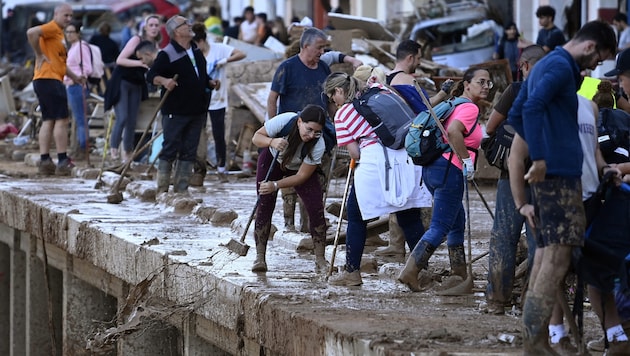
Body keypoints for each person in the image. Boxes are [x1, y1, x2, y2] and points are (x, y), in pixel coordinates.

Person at [506, 20, 617, 354]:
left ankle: (535, 340)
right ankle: (535, 344)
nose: (597, 65)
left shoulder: (548, 65)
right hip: (560, 179)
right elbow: (531, 107)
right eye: (599, 58)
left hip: (553, 177)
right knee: (555, 259)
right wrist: (541, 157)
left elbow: (516, 112)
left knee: (547, 256)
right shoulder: (559, 66)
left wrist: (544, 153)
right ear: (590, 46)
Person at [323, 71, 431, 286]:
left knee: (355, 215)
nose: (332, 101)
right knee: (408, 215)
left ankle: (352, 272)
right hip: (406, 156)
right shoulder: (379, 91)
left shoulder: (343, 113)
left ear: (338, 91)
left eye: (331, 96)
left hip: (374, 163)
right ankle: (422, 270)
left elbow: (355, 154)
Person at [397, 67, 488, 292]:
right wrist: (466, 161)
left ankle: (459, 272)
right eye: (481, 82)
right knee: (440, 226)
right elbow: (454, 132)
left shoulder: (455, 104)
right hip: (450, 170)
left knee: (457, 221)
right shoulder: (469, 108)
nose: (486, 87)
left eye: (489, 83)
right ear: (467, 84)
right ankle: (410, 272)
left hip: (434, 168)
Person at [484, 45, 546, 315]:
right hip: (547, 176)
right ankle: (529, 303)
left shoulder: (516, 91)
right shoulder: (561, 94)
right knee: (538, 241)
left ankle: (497, 300)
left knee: (504, 237)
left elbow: (489, 128)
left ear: (525, 66)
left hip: (512, 175)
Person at [250, 104, 329, 273]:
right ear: (300, 121)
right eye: (308, 129)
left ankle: (320, 259)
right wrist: (272, 141)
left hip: (299, 167)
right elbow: (256, 137)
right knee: (264, 204)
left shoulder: (318, 144)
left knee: (316, 208)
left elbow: (301, 176)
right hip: (273, 159)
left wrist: (276, 185)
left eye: (317, 132)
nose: (311, 135)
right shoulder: (284, 121)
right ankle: (260, 257)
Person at [146, 16, 217, 194]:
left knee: (189, 150)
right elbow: (151, 75)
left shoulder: (195, 49)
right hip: (176, 110)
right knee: (170, 147)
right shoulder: (167, 53)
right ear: (177, 31)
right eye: (185, 24)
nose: (190, 25)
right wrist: (164, 81)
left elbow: (201, 74)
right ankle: (162, 190)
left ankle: (181, 190)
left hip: (197, 109)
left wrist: (209, 82)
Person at [190, 23, 246, 186]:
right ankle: (199, 169)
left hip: (218, 99)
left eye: (197, 44)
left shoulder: (218, 49)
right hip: (199, 99)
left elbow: (241, 53)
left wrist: (225, 60)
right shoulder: (193, 54)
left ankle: (222, 168)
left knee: (218, 133)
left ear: (202, 40)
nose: (196, 47)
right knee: (199, 134)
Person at [26, 3, 78, 176]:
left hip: (46, 79)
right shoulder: (51, 27)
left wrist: (76, 77)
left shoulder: (59, 35)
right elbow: (31, 32)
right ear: (56, 14)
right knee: (61, 120)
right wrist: (39, 54)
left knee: (48, 119)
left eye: (71, 16)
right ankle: (63, 160)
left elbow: (60, 63)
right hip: (49, 79)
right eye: (66, 15)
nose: (69, 19)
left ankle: (45, 160)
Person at [110, 14, 161, 163]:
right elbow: (120, 60)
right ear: (145, 27)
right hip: (122, 80)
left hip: (138, 83)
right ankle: (114, 149)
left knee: (133, 120)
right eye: (150, 25)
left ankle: (127, 152)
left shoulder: (156, 47)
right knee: (123, 117)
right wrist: (140, 64)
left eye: (156, 25)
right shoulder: (136, 40)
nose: (153, 28)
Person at [387, 40, 452, 113]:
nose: (419, 63)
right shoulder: (407, 80)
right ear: (410, 58)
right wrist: (443, 92)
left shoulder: (385, 78)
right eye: (418, 58)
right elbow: (425, 107)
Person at [63, 21, 93, 161]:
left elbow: (87, 67)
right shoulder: (73, 47)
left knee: (81, 118)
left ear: (78, 33)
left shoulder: (82, 47)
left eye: (71, 32)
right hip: (70, 84)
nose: (68, 35)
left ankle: (83, 146)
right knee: (77, 118)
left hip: (77, 86)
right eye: (67, 32)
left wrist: (81, 77)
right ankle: (79, 146)